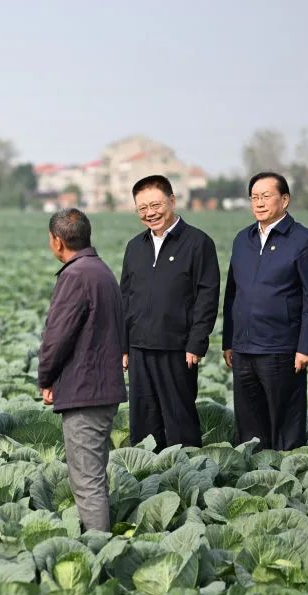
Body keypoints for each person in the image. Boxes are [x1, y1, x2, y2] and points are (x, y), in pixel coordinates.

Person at [222, 172, 308, 450]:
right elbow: (232, 292)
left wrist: (306, 347)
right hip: (244, 348)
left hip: (281, 347)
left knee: (285, 423)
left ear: (285, 199)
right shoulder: (242, 239)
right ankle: (253, 474)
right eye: (254, 197)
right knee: (249, 423)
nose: (259, 203)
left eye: (266, 196)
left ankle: (290, 473)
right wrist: (229, 340)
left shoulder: (303, 240)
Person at [38, 208, 126, 532]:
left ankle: (98, 554)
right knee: (95, 475)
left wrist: (46, 378)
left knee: (86, 481)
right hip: (103, 388)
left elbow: (56, 337)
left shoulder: (75, 276)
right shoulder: (101, 270)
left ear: (57, 241)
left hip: (84, 391)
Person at [120, 175, 220, 450]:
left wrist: (196, 342)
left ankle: (187, 473)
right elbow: (125, 298)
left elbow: (207, 297)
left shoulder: (198, 243)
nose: (150, 213)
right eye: (142, 208)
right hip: (139, 347)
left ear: (172, 201)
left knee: (179, 419)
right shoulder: (135, 247)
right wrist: (123, 346)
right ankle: (147, 479)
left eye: (155, 205)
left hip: (178, 348)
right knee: (143, 420)